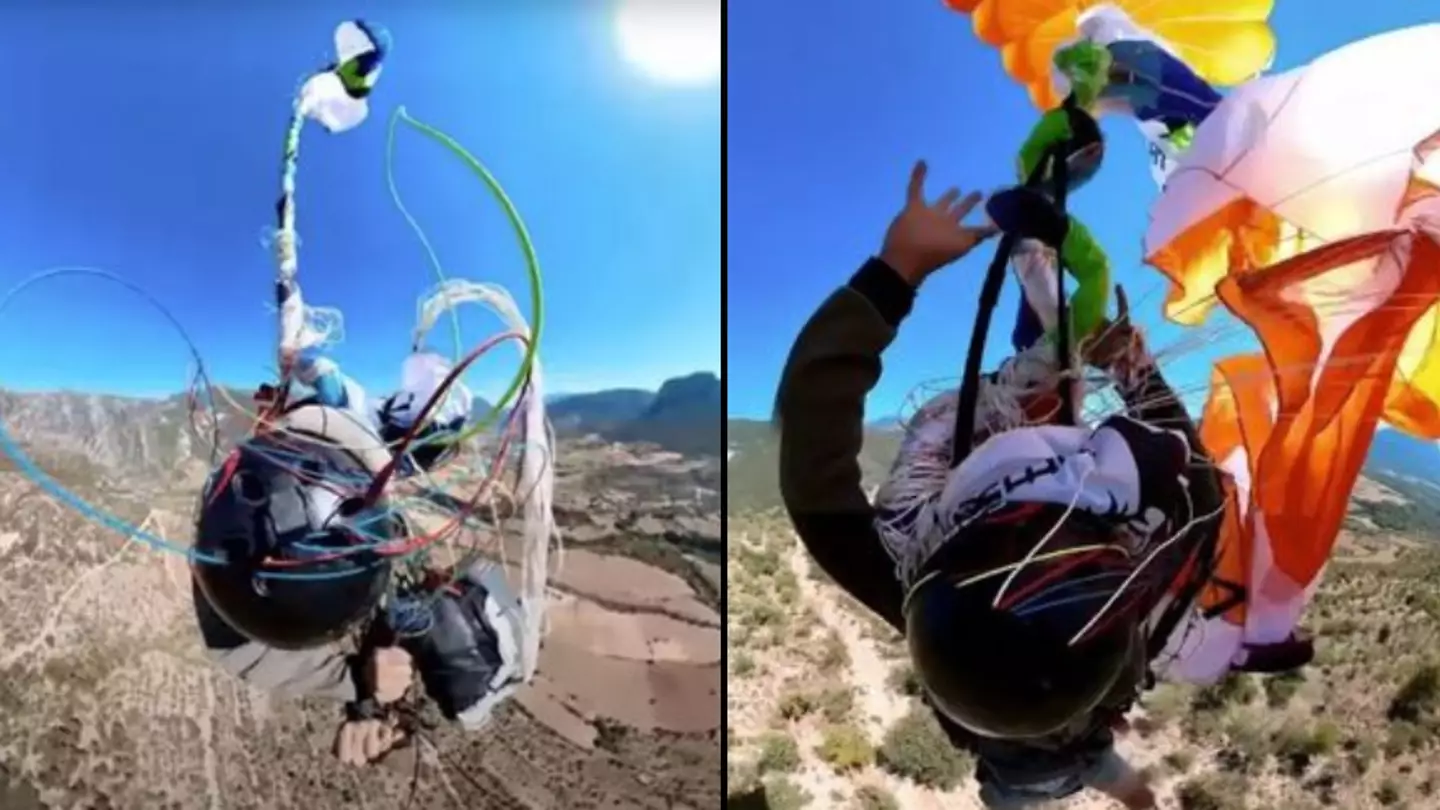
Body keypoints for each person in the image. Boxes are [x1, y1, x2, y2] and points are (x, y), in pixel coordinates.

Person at [775, 160, 1228, 809]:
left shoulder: (910, 578)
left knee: (1037, 794)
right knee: (1122, 784)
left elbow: (811, 437)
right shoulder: (913, 577)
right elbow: (1205, 496)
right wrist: (1129, 366)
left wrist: (895, 271)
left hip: (1021, 762)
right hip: (1086, 740)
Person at [190, 391, 526, 767]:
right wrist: (363, 688)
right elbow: (238, 646)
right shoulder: (231, 567)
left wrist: (361, 688)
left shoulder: (228, 545)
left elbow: (237, 647)